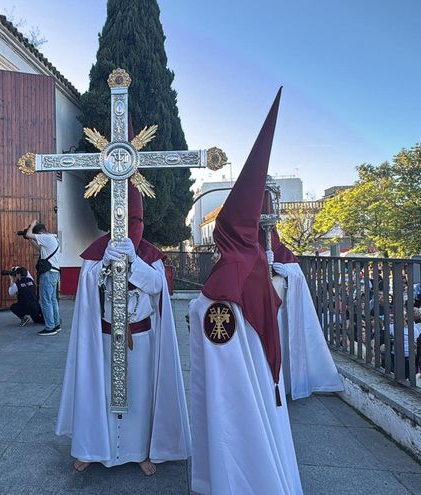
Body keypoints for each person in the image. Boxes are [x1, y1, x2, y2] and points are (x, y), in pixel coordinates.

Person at [189, 89, 303, 494]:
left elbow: (214, 325)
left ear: (223, 233)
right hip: (262, 375)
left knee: (241, 433)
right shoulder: (255, 264)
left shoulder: (228, 276)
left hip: (238, 385)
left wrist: (195, 310)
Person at [56, 182, 190, 476]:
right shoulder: (97, 252)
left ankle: (140, 451)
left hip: (141, 339)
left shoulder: (150, 255)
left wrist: (134, 262)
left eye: (137, 221)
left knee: (140, 396)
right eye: (126, 220)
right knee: (99, 393)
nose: (131, 227)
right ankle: (93, 448)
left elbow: (157, 288)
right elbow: (88, 291)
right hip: (103, 338)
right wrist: (104, 264)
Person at [266, 228, 343, 399]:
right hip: (262, 312)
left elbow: (299, 279)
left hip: (283, 315)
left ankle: (285, 383)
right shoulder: (253, 252)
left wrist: (288, 274)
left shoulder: (284, 254)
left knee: (283, 346)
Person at [24, 221, 61, 336]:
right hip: (55, 272)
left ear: (40, 233)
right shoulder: (53, 239)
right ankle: (56, 324)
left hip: (48, 274)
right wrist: (31, 241)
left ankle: (50, 327)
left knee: (46, 301)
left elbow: (29, 234)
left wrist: (32, 224)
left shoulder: (45, 237)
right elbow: (41, 250)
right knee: (53, 300)